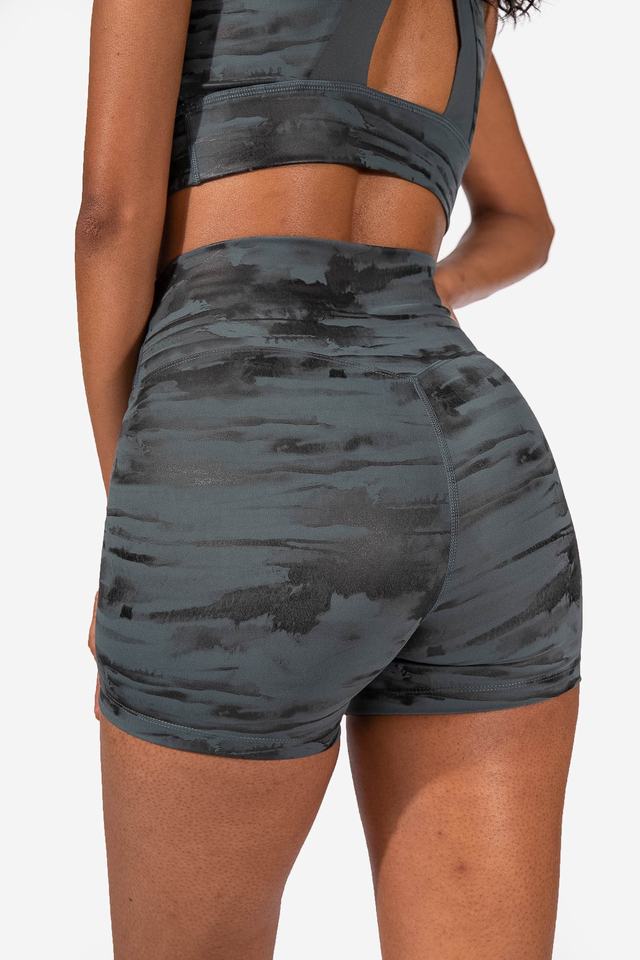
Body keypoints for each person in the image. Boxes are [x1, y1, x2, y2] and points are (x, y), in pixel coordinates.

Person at [76, 2, 581, 957]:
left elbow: (112, 219)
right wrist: (410, 298)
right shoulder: (468, 10)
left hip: (240, 443)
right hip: (483, 465)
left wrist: (143, 524)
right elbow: (527, 225)